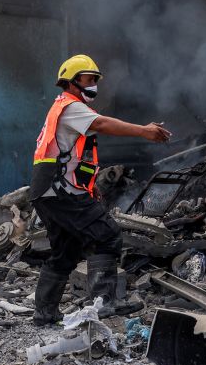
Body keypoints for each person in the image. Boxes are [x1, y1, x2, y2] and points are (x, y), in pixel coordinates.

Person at [29, 55, 172, 326]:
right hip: (58, 190)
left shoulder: (64, 107)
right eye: (88, 78)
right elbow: (103, 124)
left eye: (95, 79)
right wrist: (144, 131)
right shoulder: (71, 107)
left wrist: (90, 188)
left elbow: (73, 157)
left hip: (48, 190)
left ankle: (44, 313)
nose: (94, 84)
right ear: (71, 81)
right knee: (107, 236)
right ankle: (105, 302)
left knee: (65, 251)